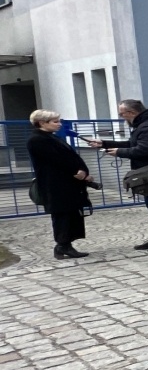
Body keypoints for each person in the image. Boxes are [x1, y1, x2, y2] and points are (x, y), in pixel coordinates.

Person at [86, 98, 148, 253]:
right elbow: (134, 144)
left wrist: (119, 152)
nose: (122, 117)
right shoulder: (144, 125)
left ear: (132, 112)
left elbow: (145, 149)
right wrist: (104, 144)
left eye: (122, 114)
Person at [26, 110, 94, 259]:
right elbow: (57, 160)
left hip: (68, 183)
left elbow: (71, 156)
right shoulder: (37, 140)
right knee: (62, 214)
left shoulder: (52, 137)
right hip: (55, 185)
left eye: (59, 121)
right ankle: (63, 245)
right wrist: (75, 171)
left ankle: (66, 244)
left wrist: (83, 171)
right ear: (42, 123)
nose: (59, 124)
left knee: (70, 213)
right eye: (55, 122)